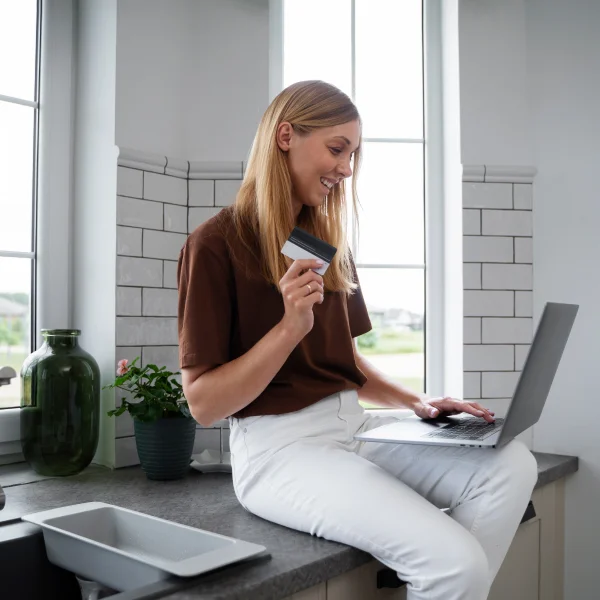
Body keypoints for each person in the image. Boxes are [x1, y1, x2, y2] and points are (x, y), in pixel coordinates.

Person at [177, 80, 538, 600]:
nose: (346, 168)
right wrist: (288, 328)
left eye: (353, 154)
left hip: (355, 427)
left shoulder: (318, 242)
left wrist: (417, 402)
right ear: (285, 136)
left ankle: (438, 578)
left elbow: (343, 362)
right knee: (456, 567)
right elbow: (204, 404)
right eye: (337, 148)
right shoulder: (213, 245)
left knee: (511, 465)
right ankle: (445, 576)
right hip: (280, 452)